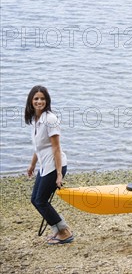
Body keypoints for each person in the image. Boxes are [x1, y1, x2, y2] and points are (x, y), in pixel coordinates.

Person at [25, 85, 74, 244]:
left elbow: (56, 148)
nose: (39, 101)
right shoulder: (35, 120)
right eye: (36, 98)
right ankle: (59, 229)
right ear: (31, 101)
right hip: (44, 166)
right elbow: (38, 147)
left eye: (42, 99)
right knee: (35, 199)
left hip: (54, 166)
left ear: (47, 101)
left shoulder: (50, 119)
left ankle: (64, 232)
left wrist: (59, 174)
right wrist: (32, 165)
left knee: (41, 201)